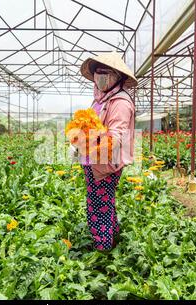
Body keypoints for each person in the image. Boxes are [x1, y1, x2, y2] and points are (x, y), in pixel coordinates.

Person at [73, 52, 138, 252]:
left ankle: (103, 249)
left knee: (98, 204)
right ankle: (112, 233)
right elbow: (90, 124)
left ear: (117, 77)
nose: (100, 76)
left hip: (105, 164)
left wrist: (87, 141)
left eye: (106, 73)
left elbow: (115, 139)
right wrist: (78, 138)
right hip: (94, 160)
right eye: (97, 73)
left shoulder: (120, 103)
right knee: (103, 201)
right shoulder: (102, 98)